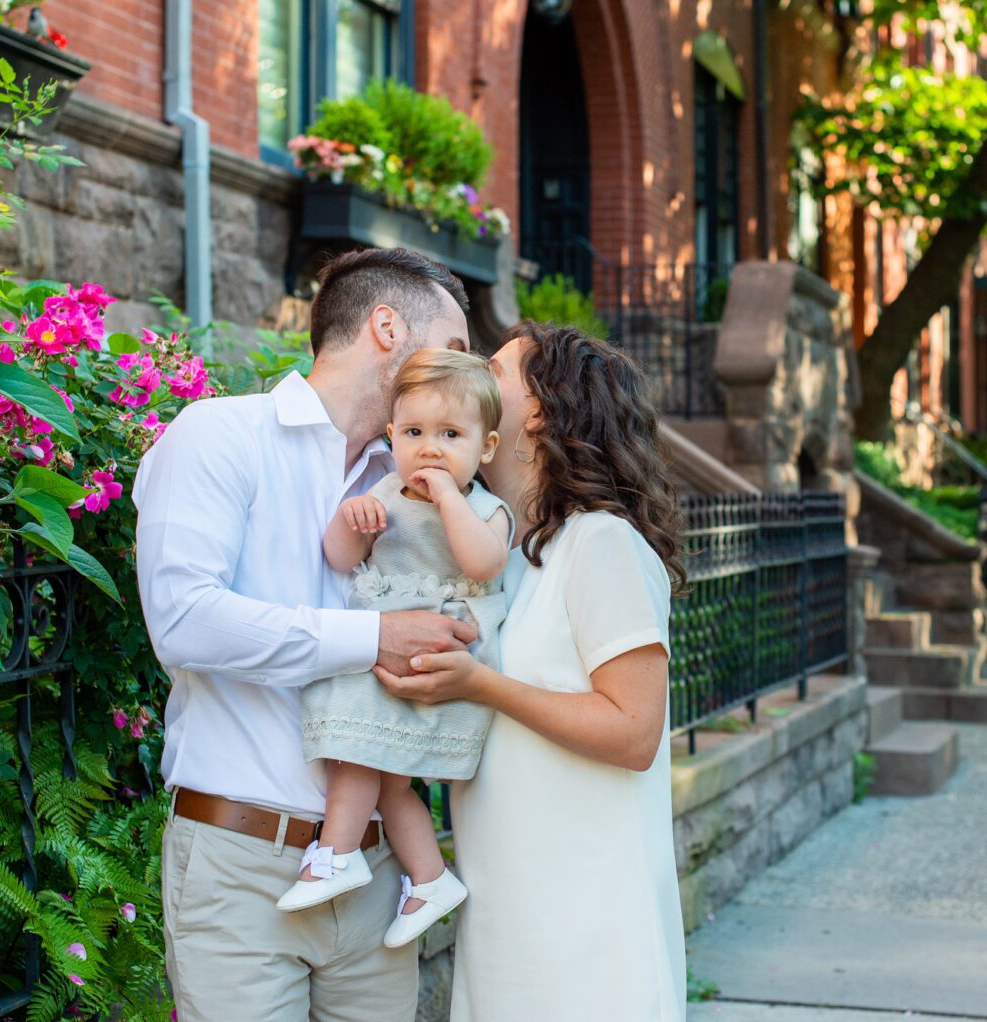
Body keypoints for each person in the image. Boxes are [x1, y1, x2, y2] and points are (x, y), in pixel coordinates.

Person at [132, 247, 475, 1022]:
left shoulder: (419, 482)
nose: (464, 372)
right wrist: (374, 637)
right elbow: (184, 620)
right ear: (387, 327)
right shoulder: (220, 435)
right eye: (453, 347)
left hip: (379, 869)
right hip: (241, 865)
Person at [375, 321, 690, 1020]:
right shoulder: (500, 554)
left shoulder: (601, 542)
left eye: (493, 370)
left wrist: (480, 685)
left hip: (588, 921)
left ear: (541, 414)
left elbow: (635, 731)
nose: (470, 376)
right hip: (507, 907)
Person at [279, 349, 512, 956]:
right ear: (391, 436)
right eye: (413, 433)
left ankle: (335, 855)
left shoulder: (485, 509)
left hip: (440, 653)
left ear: (486, 448)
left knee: (356, 751)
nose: (430, 449)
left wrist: (449, 498)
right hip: (386, 651)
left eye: (450, 435)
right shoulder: (384, 491)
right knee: (387, 784)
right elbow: (340, 558)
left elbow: (483, 564)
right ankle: (430, 879)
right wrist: (351, 520)